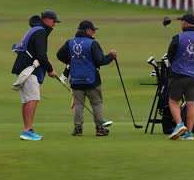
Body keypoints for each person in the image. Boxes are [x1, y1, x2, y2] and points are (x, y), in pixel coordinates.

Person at [56, 20, 117, 137]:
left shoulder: (70, 42)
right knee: (97, 103)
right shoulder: (92, 43)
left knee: (79, 105)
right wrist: (111, 56)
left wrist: (72, 62)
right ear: (87, 31)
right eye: (93, 30)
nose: (94, 32)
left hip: (75, 79)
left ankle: (78, 129)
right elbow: (100, 61)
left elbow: (59, 55)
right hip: (92, 80)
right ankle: (100, 129)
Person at [11, 10, 60, 141]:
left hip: (23, 67)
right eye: (54, 21)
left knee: (26, 100)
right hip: (29, 68)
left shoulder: (36, 29)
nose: (54, 25)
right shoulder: (40, 32)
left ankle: (27, 129)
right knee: (33, 98)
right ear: (46, 20)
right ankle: (27, 130)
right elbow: (41, 55)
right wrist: (50, 70)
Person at [166, 13, 194, 140]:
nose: (181, 23)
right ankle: (189, 133)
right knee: (191, 104)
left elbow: (170, 54)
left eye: (182, 21)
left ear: (186, 23)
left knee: (173, 101)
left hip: (178, 74)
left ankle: (179, 125)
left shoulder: (178, 37)